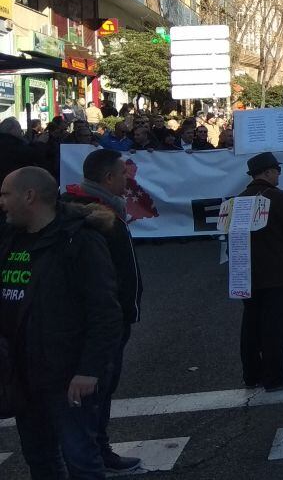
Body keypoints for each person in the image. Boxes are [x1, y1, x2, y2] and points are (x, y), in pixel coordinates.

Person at [0, 167, 123, 479]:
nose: (1, 202)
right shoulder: (11, 239)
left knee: (81, 459)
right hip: (23, 375)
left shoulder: (79, 241)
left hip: (67, 376)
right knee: (40, 460)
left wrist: (89, 370)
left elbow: (105, 311)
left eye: (5, 194)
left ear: (29, 196)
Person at [60, 150, 145, 472]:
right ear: (108, 177)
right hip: (102, 320)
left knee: (101, 389)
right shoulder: (88, 214)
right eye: (124, 174)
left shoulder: (91, 208)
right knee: (94, 389)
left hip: (108, 317)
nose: (128, 179)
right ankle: (91, 456)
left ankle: (95, 449)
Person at [238, 152, 283, 392]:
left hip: (248, 273)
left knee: (251, 325)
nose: (279, 175)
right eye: (276, 170)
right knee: (276, 327)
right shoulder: (276, 197)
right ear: (268, 172)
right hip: (277, 273)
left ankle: (252, 373)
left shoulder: (241, 198)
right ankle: (276, 375)